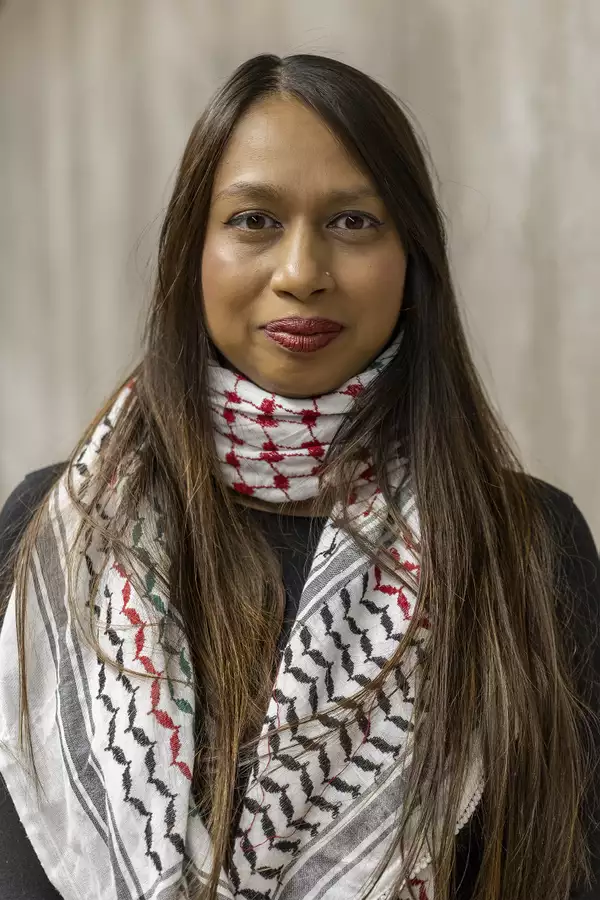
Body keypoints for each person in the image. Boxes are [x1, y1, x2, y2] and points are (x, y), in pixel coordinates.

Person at [0, 52, 598, 900]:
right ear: (191, 255)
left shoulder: (527, 544)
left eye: (354, 223)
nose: (301, 271)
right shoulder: (55, 533)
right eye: (254, 220)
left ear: (413, 263)